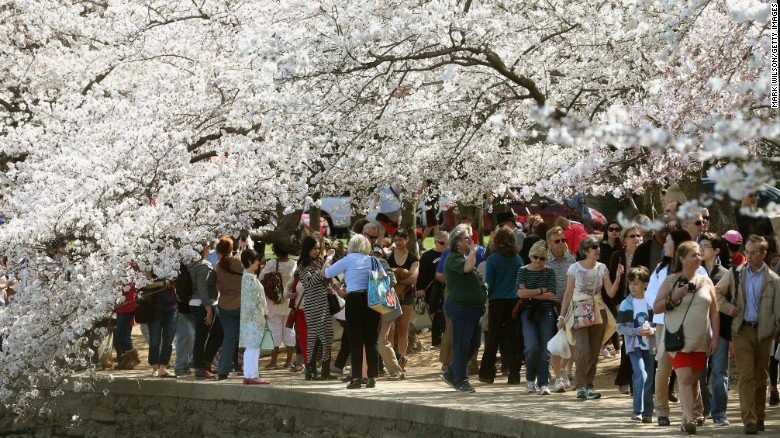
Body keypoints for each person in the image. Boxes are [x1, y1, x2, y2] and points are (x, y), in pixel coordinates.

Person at [652, 241, 719, 435]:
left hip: (701, 340)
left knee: (693, 378)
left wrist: (715, 338)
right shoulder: (671, 280)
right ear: (681, 258)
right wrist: (675, 296)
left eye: (699, 254)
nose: (698, 258)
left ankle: (685, 419)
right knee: (684, 378)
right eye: (693, 255)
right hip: (678, 340)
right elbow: (656, 307)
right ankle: (690, 419)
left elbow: (714, 312)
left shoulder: (706, 281)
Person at [715, 235, 780, 435]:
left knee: (761, 376)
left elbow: (778, 310)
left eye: (754, 252)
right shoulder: (735, 273)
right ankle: (749, 420)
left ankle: (759, 416)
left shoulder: (774, 280)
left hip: (764, 333)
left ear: (764, 254)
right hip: (741, 330)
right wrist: (729, 308)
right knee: (746, 375)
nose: (749, 256)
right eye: (747, 252)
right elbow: (716, 293)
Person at [644, 229, 705, 427]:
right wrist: (669, 303)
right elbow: (651, 295)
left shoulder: (699, 271)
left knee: (690, 369)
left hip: (690, 325)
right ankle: (662, 411)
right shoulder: (661, 269)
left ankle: (695, 412)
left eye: (668, 242)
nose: (664, 245)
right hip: (665, 324)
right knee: (664, 368)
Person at [557, 235, 623, 400]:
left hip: (598, 310)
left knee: (594, 351)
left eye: (598, 246)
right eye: (594, 247)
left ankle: (588, 386)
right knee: (582, 348)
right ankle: (581, 386)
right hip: (579, 310)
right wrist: (561, 317)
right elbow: (568, 293)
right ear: (585, 251)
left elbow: (610, 293)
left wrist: (618, 277)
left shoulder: (602, 267)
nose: (598, 249)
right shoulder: (574, 268)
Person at [325, 234, 381, 389]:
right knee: (372, 340)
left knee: (355, 340)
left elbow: (327, 273)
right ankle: (372, 377)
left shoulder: (348, 259)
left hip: (354, 299)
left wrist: (328, 259)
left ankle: (356, 377)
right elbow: (385, 279)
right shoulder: (373, 260)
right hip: (372, 299)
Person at [440, 224, 486, 393]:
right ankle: (461, 380)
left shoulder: (463, 257)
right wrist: (473, 250)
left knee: (474, 344)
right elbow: (467, 268)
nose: (470, 240)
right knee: (461, 345)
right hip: (461, 308)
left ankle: (451, 372)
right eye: (467, 238)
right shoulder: (452, 258)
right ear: (457, 241)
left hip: (473, 309)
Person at [478, 227, 524, 385]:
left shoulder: (492, 260)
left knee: (493, 337)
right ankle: (514, 375)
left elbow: (489, 283)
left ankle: (487, 373)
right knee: (513, 338)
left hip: (497, 301)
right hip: (514, 301)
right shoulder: (518, 260)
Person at [696, 232, 730, 425]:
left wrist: (731, 337)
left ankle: (720, 414)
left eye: (706, 246)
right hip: (698, 330)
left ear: (717, 250)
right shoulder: (693, 272)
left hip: (721, 331)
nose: (701, 249)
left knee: (719, 372)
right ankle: (704, 409)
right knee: (698, 373)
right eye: (699, 245)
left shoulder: (726, 274)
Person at [515, 240, 557, 394]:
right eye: (535, 257)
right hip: (528, 311)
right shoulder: (522, 271)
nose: (538, 261)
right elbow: (520, 294)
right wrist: (541, 290)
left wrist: (530, 293)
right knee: (531, 347)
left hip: (546, 311)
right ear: (530, 255)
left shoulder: (550, 272)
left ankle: (544, 383)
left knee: (545, 349)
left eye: (542, 258)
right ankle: (529, 380)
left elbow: (551, 294)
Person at [616, 266, 655, 423]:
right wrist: (637, 331)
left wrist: (652, 330)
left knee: (649, 378)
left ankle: (648, 412)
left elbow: (659, 324)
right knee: (640, 374)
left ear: (645, 284)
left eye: (636, 284)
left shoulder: (651, 302)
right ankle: (637, 410)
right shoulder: (626, 304)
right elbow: (620, 328)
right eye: (630, 283)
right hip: (634, 346)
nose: (632, 287)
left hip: (650, 346)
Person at [608, 225, 644, 394]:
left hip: (642, 302)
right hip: (624, 303)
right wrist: (616, 303)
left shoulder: (643, 253)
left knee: (641, 341)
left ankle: (633, 380)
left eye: (639, 236)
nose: (637, 238)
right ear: (624, 239)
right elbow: (611, 281)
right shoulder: (617, 256)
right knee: (627, 341)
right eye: (632, 236)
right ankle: (625, 380)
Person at [298, 236, 337, 380]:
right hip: (312, 304)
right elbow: (310, 283)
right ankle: (310, 369)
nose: (316, 251)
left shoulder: (319, 262)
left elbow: (327, 278)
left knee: (327, 335)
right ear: (307, 249)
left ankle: (325, 369)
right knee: (314, 336)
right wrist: (325, 265)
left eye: (318, 248)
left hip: (324, 302)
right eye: (313, 248)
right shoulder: (302, 264)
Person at [546, 226, 577, 389]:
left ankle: (563, 368)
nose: (561, 243)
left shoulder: (572, 260)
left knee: (573, 342)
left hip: (571, 305)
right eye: (557, 241)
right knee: (556, 341)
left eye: (563, 240)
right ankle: (558, 377)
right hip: (550, 305)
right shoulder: (544, 260)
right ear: (549, 243)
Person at [386, 230, 419, 369]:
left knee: (402, 329)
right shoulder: (388, 257)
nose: (398, 242)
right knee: (390, 329)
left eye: (400, 239)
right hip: (390, 295)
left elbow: (413, 279)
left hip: (407, 295)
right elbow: (385, 277)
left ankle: (401, 360)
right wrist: (401, 278)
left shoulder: (413, 258)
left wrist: (396, 279)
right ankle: (390, 360)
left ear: (407, 240)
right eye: (396, 240)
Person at [188, 242, 222, 380]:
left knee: (211, 334)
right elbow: (202, 288)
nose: (210, 249)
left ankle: (204, 364)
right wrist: (208, 309)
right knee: (202, 337)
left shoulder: (193, 264)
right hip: (202, 304)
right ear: (203, 249)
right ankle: (200, 368)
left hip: (198, 303)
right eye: (208, 247)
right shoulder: (203, 265)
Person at [260, 245, 297, 370]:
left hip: (274, 302)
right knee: (289, 330)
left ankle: (274, 362)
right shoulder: (293, 264)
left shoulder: (272, 263)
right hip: (289, 302)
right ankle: (288, 362)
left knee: (274, 331)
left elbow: (261, 278)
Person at [214, 235, 244, 380]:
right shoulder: (239, 263)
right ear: (231, 249)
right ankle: (247, 367)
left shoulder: (217, 267)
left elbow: (217, 287)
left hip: (225, 305)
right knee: (247, 338)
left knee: (229, 339)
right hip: (241, 303)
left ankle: (223, 370)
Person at [239, 249, 270, 385]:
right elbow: (255, 300)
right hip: (254, 317)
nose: (259, 262)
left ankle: (248, 375)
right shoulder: (249, 278)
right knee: (254, 347)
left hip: (250, 317)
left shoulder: (247, 277)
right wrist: (263, 313)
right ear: (249, 261)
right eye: (256, 260)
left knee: (251, 347)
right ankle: (252, 375)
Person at [417, 231, 448, 347]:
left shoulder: (450, 254)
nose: (445, 245)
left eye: (447, 243)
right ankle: (438, 340)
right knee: (437, 312)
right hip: (432, 290)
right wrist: (420, 288)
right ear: (435, 242)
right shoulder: (427, 256)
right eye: (442, 243)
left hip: (447, 288)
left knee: (441, 312)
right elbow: (421, 273)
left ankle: (440, 340)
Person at [145, 274, 178, 378]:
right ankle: (155, 367)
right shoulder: (150, 267)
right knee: (155, 341)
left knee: (168, 341)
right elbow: (144, 284)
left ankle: (163, 368)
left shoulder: (175, 268)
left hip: (172, 308)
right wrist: (162, 283)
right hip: (155, 308)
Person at [114, 280, 140, 370]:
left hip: (130, 305)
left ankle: (134, 358)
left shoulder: (132, 274)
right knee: (122, 334)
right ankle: (126, 358)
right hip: (120, 307)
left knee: (121, 332)